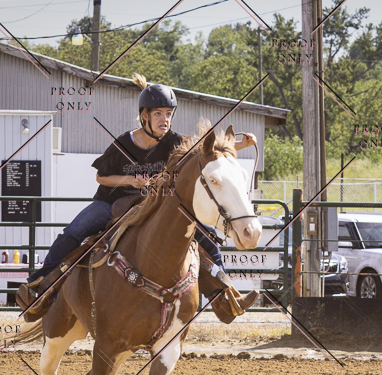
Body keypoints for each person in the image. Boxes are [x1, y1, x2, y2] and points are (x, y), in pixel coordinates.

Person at [19, 74, 259, 321]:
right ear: (145, 116)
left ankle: (226, 299)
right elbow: (101, 177)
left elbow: (204, 152)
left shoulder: (175, 141)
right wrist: (130, 181)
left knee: (207, 238)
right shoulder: (125, 143)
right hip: (111, 203)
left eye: (168, 114)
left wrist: (239, 144)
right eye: (158, 114)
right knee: (74, 232)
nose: (165, 119)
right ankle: (38, 287)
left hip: (152, 204)